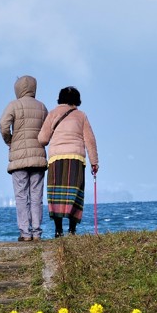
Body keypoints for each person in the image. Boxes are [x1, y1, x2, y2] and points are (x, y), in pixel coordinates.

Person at [37, 86, 99, 237]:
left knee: (56, 194)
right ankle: (72, 230)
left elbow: (43, 139)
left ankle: (58, 231)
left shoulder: (52, 114)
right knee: (75, 194)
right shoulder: (81, 116)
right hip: (76, 159)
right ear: (77, 100)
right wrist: (94, 161)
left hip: (56, 158)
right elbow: (90, 140)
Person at [0, 75, 49, 241]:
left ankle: (25, 233)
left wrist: (10, 141)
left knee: (21, 196)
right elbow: (47, 131)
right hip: (38, 158)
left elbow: (3, 125)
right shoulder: (42, 107)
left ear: (18, 89)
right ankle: (36, 233)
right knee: (36, 196)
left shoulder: (14, 105)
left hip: (19, 159)